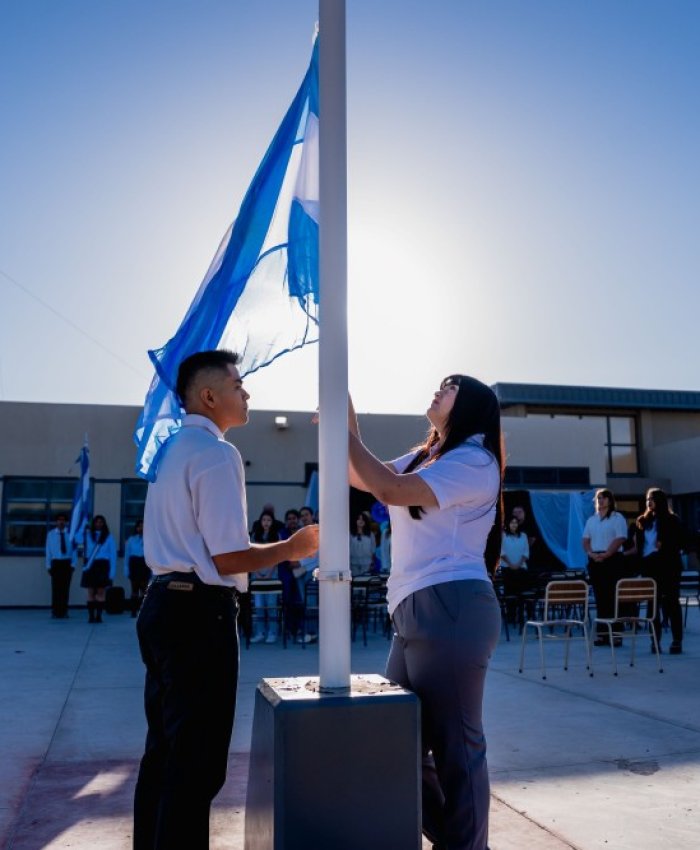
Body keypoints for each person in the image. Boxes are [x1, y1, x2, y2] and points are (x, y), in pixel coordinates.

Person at [133, 349, 318, 850]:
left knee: (165, 754)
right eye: (238, 384)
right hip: (197, 613)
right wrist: (291, 548)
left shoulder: (171, 449)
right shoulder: (215, 453)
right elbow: (229, 556)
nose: (247, 392)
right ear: (209, 396)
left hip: (162, 605)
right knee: (195, 764)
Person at [346, 374, 503, 850]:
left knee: (458, 749)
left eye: (450, 386)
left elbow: (389, 489)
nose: (439, 389)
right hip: (411, 611)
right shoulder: (427, 455)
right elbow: (364, 477)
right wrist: (343, 415)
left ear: (471, 404)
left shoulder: (475, 459)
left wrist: (346, 432)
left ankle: (466, 845)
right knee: (398, 744)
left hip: (452, 604)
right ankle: (457, 839)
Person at [633, 488, 686, 654]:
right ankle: (654, 641)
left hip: (668, 566)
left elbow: (680, 542)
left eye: (652, 499)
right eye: (648, 499)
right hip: (650, 566)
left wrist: (664, 544)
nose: (649, 502)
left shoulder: (671, 520)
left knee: (672, 603)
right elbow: (639, 545)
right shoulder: (643, 521)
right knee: (652, 605)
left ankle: (677, 640)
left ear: (660, 501)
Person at [582, 489, 628, 646]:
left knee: (613, 597)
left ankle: (616, 634)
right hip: (596, 560)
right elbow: (586, 540)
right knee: (601, 598)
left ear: (610, 500)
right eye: (598, 498)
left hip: (613, 560)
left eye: (604, 498)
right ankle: (602, 634)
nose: (601, 501)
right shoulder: (591, 520)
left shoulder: (617, 518)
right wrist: (591, 554)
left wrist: (607, 554)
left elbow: (620, 538)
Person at [249, 510, 282, 644]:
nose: (266, 522)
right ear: (260, 522)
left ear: (272, 522)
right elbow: (250, 556)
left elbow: (277, 556)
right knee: (259, 605)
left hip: (272, 574)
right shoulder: (255, 536)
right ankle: (260, 632)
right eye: (264, 520)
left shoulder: (277, 536)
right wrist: (256, 573)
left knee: (271, 605)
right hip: (257, 575)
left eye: (268, 520)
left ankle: (272, 632)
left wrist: (269, 573)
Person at [80, 515, 116, 624]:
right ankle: (91, 616)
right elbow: (76, 538)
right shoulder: (87, 535)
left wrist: (112, 572)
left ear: (104, 524)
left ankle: (99, 616)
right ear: (93, 524)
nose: (99, 524)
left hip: (103, 566)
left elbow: (112, 555)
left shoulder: (109, 537)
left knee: (101, 592)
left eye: (101, 522)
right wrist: (82, 525)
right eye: (96, 522)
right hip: (90, 566)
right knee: (90, 592)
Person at [45, 513, 77, 618]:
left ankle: (64, 611)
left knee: (65, 588)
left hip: (66, 563)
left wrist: (73, 564)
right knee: (56, 588)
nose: (61, 522)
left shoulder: (70, 534)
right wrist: (48, 565)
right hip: (56, 563)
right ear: (56, 521)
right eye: (59, 520)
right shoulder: (51, 534)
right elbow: (48, 551)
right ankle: (55, 611)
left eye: (63, 520)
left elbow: (74, 550)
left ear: (66, 522)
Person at [500, 516, 530, 625]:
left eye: (515, 523)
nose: (514, 525)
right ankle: (511, 616)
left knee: (520, 594)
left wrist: (518, 564)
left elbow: (526, 553)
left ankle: (521, 616)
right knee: (509, 593)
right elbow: (502, 553)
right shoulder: (503, 536)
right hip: (507, 569)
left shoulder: (523, 536)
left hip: (521, 569)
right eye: (511, 522)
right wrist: (510, 564)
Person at [125, 519, 149, 618]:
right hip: (134, 564)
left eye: (143, 526)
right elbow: (127, 555)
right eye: (139, 526)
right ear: (136, 528)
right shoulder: (131, 540)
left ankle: (143, 610)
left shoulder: (150, 539)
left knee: (144, 589)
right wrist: (126, 569)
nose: (141, 528)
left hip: (144, 564)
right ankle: (133, 610)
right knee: (134, 589)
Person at [349, 510, 375, 577]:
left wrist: (372, 562)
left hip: (367, 562)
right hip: (353, 562)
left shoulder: (370, 534)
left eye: (363, 519)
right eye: (359, 519)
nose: (360, 521)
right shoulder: (350, 534)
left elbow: (373, 549)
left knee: (365, 580)